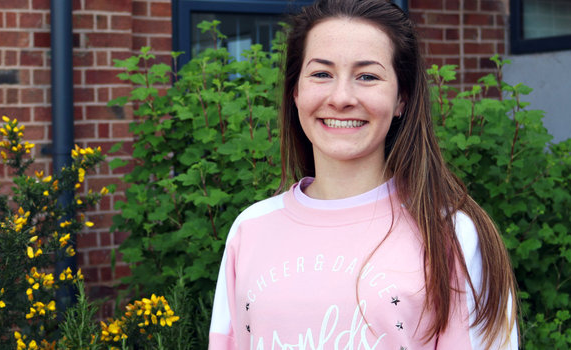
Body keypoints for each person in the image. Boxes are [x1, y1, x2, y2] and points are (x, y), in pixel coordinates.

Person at [208, 0, 519, 348]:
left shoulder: (451, 234)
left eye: (367, 76)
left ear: (402, 97)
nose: (341, 97)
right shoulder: (251, 229)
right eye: (322, 74)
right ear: (295, 92)